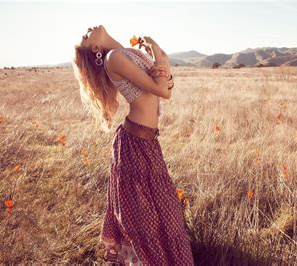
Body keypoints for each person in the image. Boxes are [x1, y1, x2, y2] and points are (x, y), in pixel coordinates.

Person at [72, 25, 194, 265]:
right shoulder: (113, 57)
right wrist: (158, 53)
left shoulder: (126, 53)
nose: (88, 29)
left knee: (164, 211)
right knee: (145, 217)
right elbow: (162, 89)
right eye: (86, 36)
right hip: (134, 144)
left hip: (146, 141)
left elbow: (166, 83)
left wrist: (160, 56)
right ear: (95, 48)